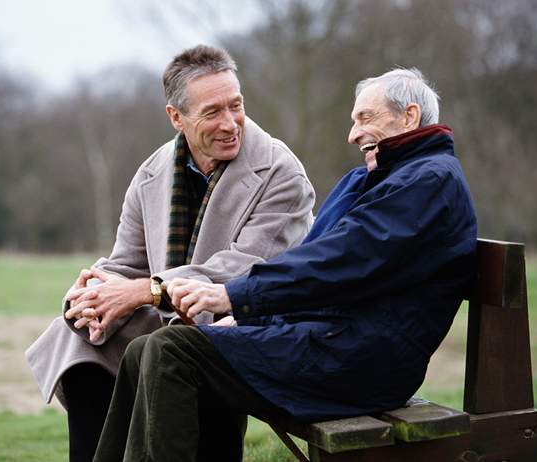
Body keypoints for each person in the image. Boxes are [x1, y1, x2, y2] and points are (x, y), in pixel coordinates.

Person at [92, 68, 478, 462]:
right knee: (147, 349)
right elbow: (312, 262)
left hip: (363, 363)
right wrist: (250, 319)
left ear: (409, 117)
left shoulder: (428, 184)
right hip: (326, 341)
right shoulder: (371, 180)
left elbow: (336, 264)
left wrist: (232, 296)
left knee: (172, 351)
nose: (353, 134)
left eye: (365, 118)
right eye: (353, 120)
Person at [25, 45, 315, 462]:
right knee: (78, 341)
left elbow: (248, 271)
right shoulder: (151, 173)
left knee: (178, 350)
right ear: (176, 118)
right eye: (212, 112)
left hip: (246, 325)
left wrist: (147, 290)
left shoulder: (282, 173)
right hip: (171, 322)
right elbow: (126, 263)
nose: (231, 123)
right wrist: (88, 297)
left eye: (237, 106)